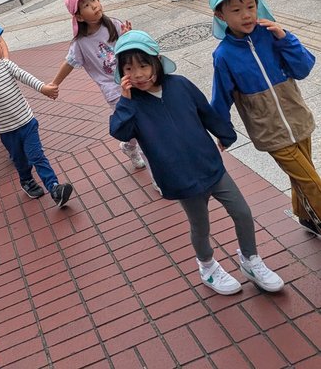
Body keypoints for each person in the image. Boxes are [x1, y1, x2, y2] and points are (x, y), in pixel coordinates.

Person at [110, 30, 284, 296]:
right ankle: (207, 266)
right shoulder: (132, 105)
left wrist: (225, 133)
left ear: (157, 62)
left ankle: (250, 259)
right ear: (122, 73)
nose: (139, 74)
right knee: (200, 226)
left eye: (144, 65)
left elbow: (206, 112)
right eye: (129, 68)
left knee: (242, 212)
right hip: (181, 178)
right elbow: (120, 132)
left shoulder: (180, 85)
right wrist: (125, 101)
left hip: (210, 166)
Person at [209, 0, 321, 237]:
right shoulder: (224, 55)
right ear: (220, 15)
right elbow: (220, 97)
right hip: (269, 131)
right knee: (312, 181)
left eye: (250, 6)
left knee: (304, 175)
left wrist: (285, 38)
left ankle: (305, 216)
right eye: (236, 10)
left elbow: (303, 68)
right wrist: (223, 132)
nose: (246, 15)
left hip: (297, 119)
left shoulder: (272, 36)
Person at [0, 25, 73, 205]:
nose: (1, 45)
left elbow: (25, 76)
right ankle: (27, 181)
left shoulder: (6, 65)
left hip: (27, 122)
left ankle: (54, 188)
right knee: (21, 162)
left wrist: (44, 88)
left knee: (37, 155)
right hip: (7, 131)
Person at [47, 0, 144, 172]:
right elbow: (69, 63)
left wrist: (128, 36)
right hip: (114, 91)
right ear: (80, 17)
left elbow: (129, 49)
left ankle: (130, 148)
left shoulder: (113, 24)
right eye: (86, 5)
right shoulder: (80, 44)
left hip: (133, 81)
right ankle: (139, 155)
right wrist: (54, 84)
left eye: (94, 0)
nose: (94, 5)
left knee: (143, 128)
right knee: (135, 128)